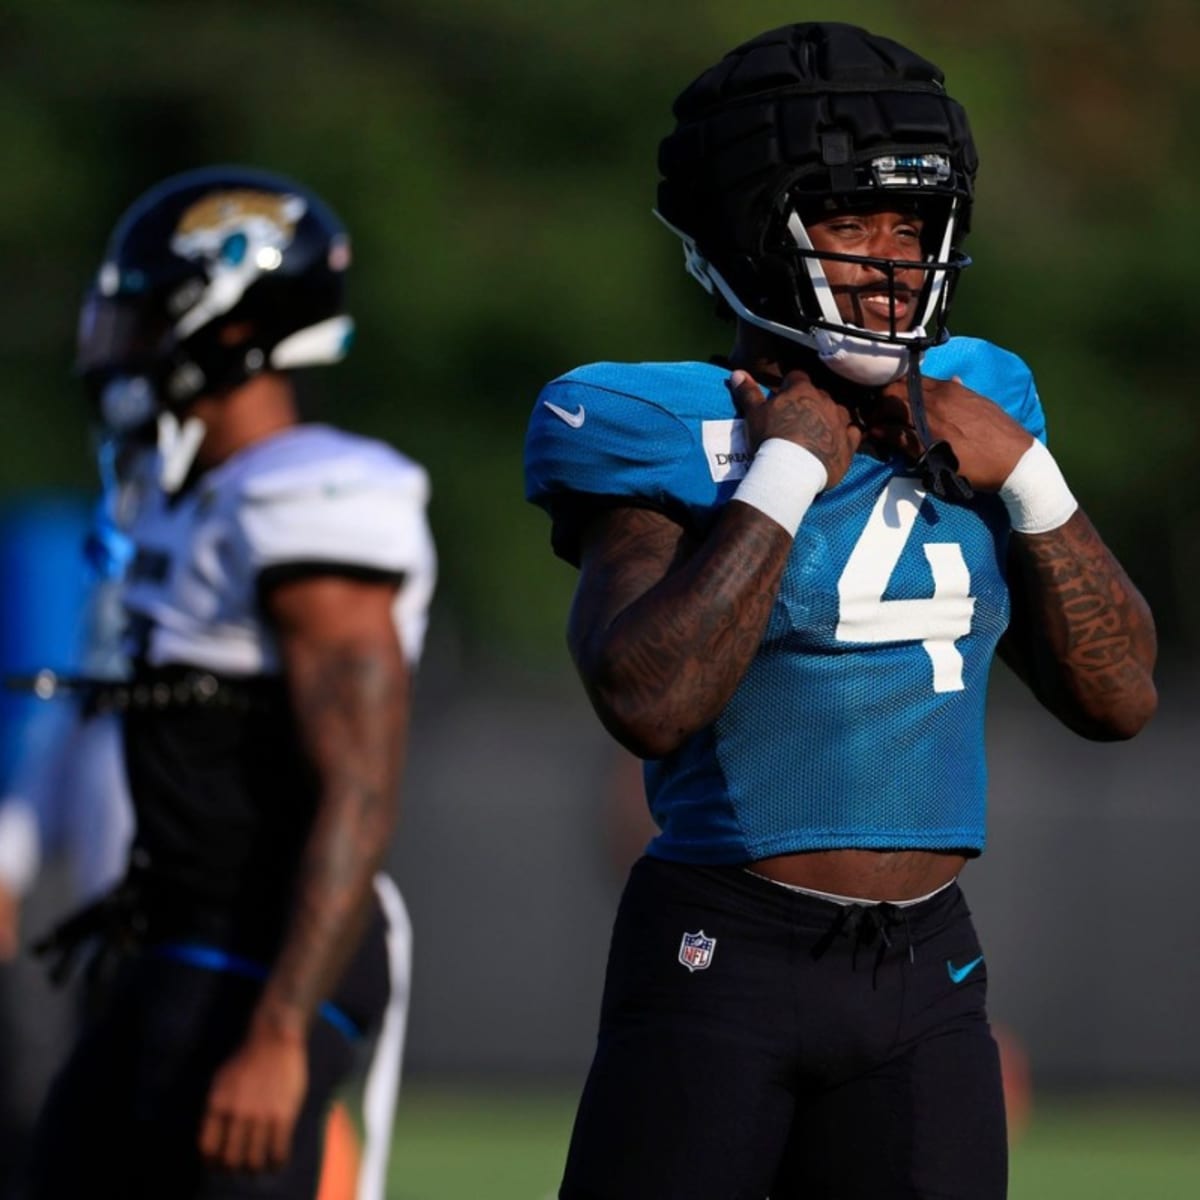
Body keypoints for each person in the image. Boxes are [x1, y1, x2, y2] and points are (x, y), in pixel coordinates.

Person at [523, 22, 1156, 1200]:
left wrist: (1030, 477)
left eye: (910, 227)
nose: (888, 262)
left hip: (926, 972)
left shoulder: (988, 400)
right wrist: (782, 476)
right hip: (724, 959)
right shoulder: (657, 424)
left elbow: (1119, 700)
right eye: (848, 222)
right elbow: (649, 699)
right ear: (750, 234)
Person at [28, 165, 435, 1200]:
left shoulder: (308, 494)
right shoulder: (192, 498)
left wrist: (279, 1033)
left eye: (144, 318)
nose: (118, 346)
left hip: (267, 958)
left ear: (224, 321)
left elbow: (362, 786)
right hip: (185, 941)